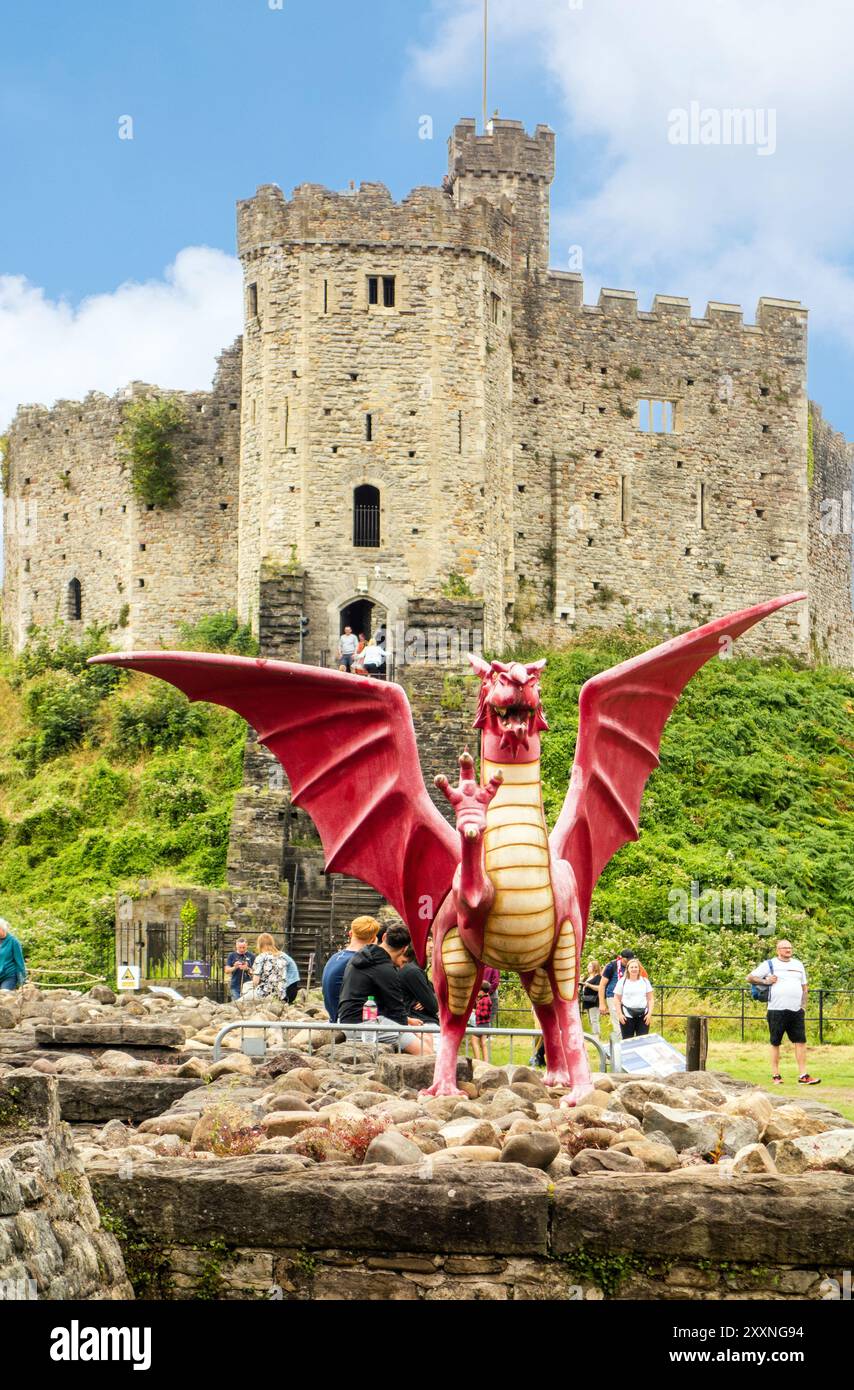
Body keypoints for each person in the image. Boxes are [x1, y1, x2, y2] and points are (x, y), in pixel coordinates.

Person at [337, 924, 429, 1056]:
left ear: (384, 936)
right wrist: (408, 1030)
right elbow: (396, 1010)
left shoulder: (358, 957)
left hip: (346, 1020)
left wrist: (407, 1021)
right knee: (426, 1051)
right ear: (405, 949)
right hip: (366, 1024)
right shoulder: (385, 969)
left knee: (424, 1037)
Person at [747, 940, 820, 1085]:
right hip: (776, 1010)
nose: (788, 950)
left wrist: (803, 1007)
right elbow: (749, 978)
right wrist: (766, 981)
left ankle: (803, 1075)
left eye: (790, 947)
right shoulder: (770, 964)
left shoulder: (798, 964)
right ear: (778, 950)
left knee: (800, 1041)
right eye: (785, 947)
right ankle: (776, 1076)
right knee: (775, 1042)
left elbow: (804, 987)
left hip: (796, 1011)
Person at [321, 915, 379, 1022]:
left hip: (334, 1018)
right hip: (350, 1022)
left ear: (350, 933)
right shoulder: (361, 961)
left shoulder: (334, 958)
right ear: (373, 938)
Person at [598, 950, 646, 1033]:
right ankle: (621, 1043)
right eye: (626, 960)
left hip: (629, 998)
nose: (628, 962)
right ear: (621, 958)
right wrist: (602, 1003)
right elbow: (602, 985)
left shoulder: (634, 966)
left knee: (628, 1023)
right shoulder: (611, 966)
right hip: (613, 996)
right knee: (618, 1022)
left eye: (630, 960)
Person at [251, 933, 300, 1004]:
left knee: (247, 990)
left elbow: (256, 981)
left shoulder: (262, 957)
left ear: (260, 945)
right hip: (291, 992)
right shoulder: (282, 955)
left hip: (280, 993)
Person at [399, 942, 439, 1026]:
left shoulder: (415, 970)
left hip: (422, 1021)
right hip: (421, 1022)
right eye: (428, 940)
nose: (432, 945)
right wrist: (428, 999)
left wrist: (429, 998)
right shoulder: (412, 971)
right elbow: (433, 1006)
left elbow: (433, 996)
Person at [614, 957, 654, 1039]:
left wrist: (649, 1014)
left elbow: (650, 999)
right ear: (627, 969)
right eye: (631, 967)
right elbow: (617, 999)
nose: (634, 969)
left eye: (636, 967)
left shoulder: (645, 981)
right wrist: (620, 1014)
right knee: (627, 1041)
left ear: (639, 969)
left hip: (643, 1016)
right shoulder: (622, 981)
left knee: (643, 1041)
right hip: (626, 1015)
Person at [224, 935, 255, 1002]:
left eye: (243, 947)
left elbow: (255, 972)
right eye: (240, 947)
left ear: (247, 946)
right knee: (237, 1005)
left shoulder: (252, 956)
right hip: (235, 985)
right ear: (236, 946)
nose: (242, 949)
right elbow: (226, 970)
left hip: (248, 986)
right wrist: (235, 967)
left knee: (247, 1005)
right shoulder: (231, 955)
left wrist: (247, 968)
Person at [0, 918, 26, 992]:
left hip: (8, 975)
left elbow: (19, 961)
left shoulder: (13, 941)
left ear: (2, 929)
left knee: (4, 995)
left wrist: (22, 978)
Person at [469, 983, 493, 1061]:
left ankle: (477, 1060)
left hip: (482, 1024)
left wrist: (475, 1012)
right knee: (483, 1043)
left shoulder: (484, 1000)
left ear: (482, 991)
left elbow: (485, 1013)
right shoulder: (484, 998)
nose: (477, 992)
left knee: (473, 1041)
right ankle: (485, 1061)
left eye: (478, 990)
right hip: (484, 1023)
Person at [580, 959, 603, 1036]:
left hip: (594, 1000)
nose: (588, 967)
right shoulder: (587, 977)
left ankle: (596, 1036)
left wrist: (589, 985)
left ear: (595, 967)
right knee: (590, 1020)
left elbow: (599, 988)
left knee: (594, 1019)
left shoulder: (598, 977)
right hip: (587, 1000)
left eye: (590, 966)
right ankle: (594, 1035)